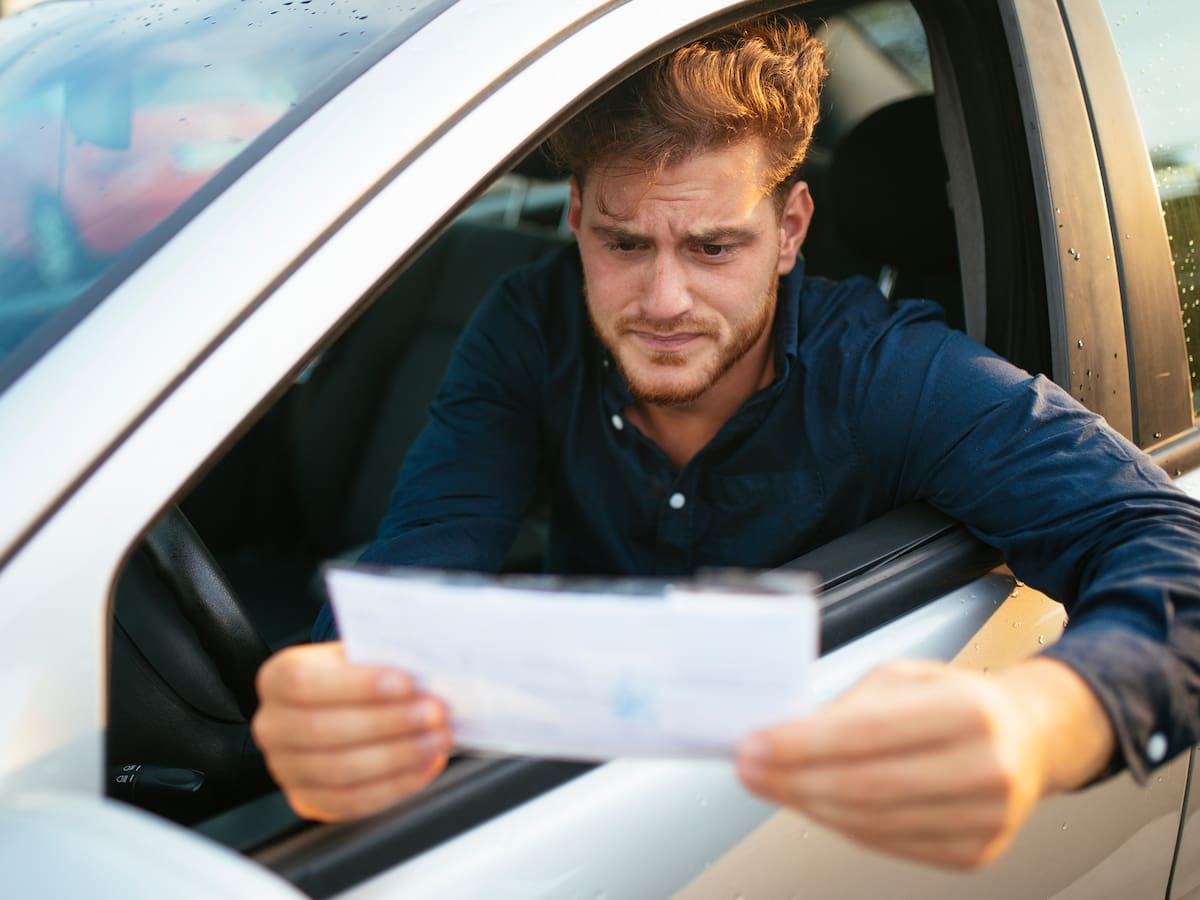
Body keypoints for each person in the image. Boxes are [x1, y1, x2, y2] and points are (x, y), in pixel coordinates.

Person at [250, 16, 1200, 869]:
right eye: (624, 245)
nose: (664, 303)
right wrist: (341, 711)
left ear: (789, 231)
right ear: (575, 218)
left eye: (713, 248)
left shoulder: (888, 371)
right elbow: (420, 569)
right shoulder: (529, 328)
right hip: (567, 824)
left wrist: (1041, 721)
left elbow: (1176, 551)